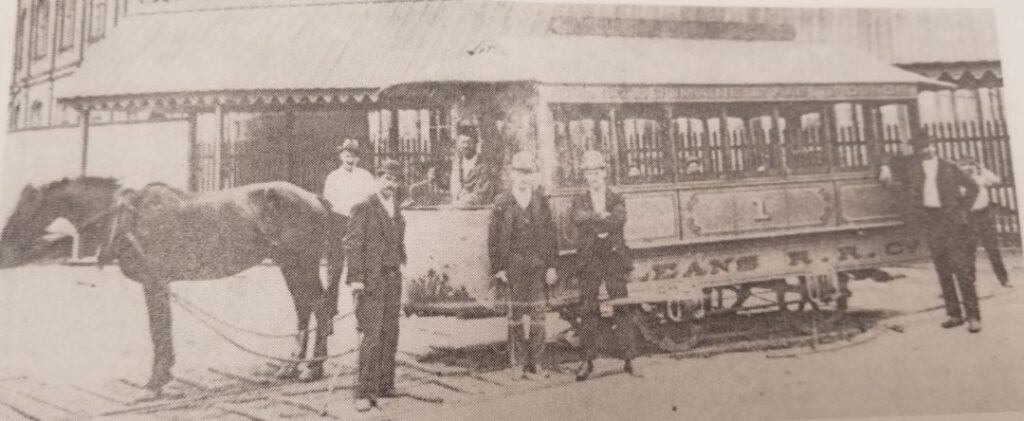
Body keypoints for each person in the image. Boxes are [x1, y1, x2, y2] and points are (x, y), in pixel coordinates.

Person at [879, 134, 981, 332]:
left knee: (961, 270)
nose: (926, 149)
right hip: (931, 221)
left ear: (934, 146)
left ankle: (973, 317)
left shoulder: (949, 166)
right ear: (917, 151)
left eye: (929, 145)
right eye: (922, 147)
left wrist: (962, 208)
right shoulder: (912, 167)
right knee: (943, 269)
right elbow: (887, 156)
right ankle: (954, 315)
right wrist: (884, 166)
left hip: (952, 222)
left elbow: (973, 187)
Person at [570, 151, 640, 382]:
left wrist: (594, 219)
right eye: (589, 173)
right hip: (590, 257)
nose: (593, 177)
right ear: (585, 176)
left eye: (596, 172)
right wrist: (601, 216)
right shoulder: (580, 199)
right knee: (588, 308)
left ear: (604, 173)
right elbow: (578, 218)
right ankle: (587, 361)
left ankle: (629, 359)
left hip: (613, 255)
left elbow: (619, 219)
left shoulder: (616, 196)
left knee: (621, 305)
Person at [488, 151, 559, 379]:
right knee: (515, 317)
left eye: (528, 173)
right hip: (513, 266)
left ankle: (536, 363)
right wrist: (499, 267)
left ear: (533, 176)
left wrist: (551, 266)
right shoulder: (502, 202)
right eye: (520, 173)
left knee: (538, 316)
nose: (524, 178)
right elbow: (493, 238)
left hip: (537, 265)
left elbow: (551, 236)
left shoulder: (540, 201)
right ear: (512, 174)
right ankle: (517, 364)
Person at [343, 160, 406, 412]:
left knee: (391, 331)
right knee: (372, 335)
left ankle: (385, 384)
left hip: (392, 277)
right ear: (378, 178)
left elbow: (398, 242)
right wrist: (356, 279)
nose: (391, 184)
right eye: (387, 178)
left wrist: (401, 266)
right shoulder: (363, 207)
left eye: (395, 180)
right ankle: (364, 391)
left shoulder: (396, 207)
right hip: (371, 280)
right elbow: (353, 244)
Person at [321, 139, 377, 321]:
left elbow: (372, 198)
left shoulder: (365, 176)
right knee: (334, 268)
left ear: (358, 158)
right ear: (341, 156)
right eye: (347, 155)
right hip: (339, 222)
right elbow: (329, 202)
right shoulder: (333, 177)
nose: (350, 159)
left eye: (353, 156)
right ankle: (329, 312)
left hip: (360, 223)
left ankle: (361, 313)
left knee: (358, 268)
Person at [959, 156, 1011, 288]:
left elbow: (996, 180)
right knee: (969, 249)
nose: (967, 168)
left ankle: (1003, 279)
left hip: (984, 214)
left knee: (992, 248)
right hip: (970, 216)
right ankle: (970, 280)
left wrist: (981, 169)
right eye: (964, 166)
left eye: (969, 165)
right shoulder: (961, 182)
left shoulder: (980, 177)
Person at [451, 123, 497, 206]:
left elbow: (482, 194)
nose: (466, 146)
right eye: (463, 142)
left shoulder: (483, 165)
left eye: (469, 142)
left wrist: (463, 203)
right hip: (458, 207)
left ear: (475, 143)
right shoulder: (458, 163)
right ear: (458, 144)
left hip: (477, 209)